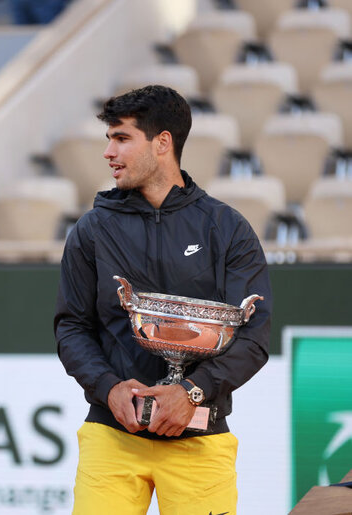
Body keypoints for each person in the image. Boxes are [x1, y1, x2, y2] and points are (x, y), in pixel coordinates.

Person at [54, 85, 272, 515]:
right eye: (108, 139)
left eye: (121, 138)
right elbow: (71, 326)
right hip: (112, 433)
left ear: (163, 143)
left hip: (199, 436)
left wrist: (191, 392)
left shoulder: (227, 229)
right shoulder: (92, 230)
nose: (108, 152)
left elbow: (254, 336)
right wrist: (109, 387)